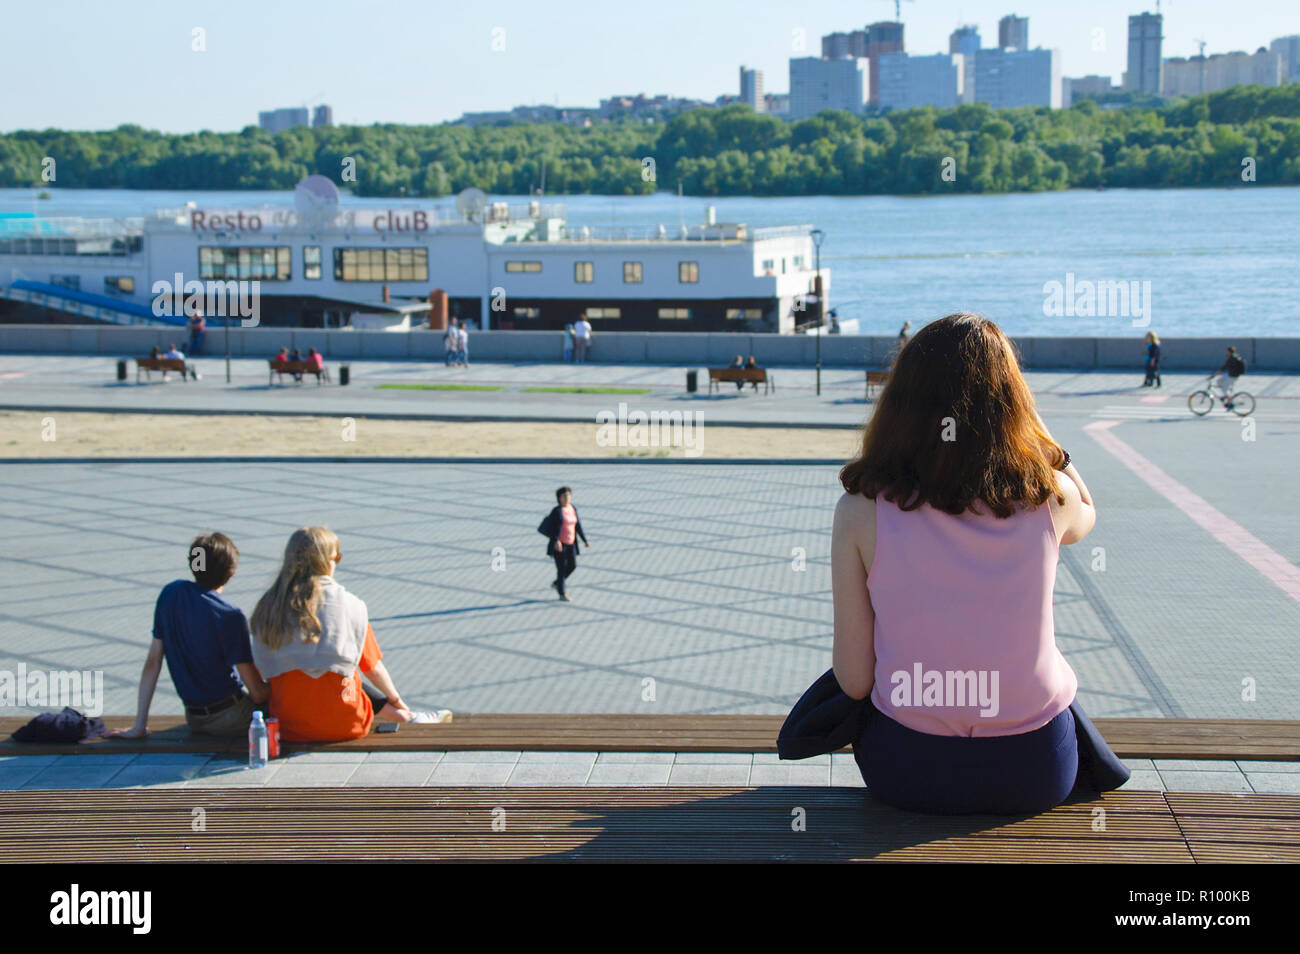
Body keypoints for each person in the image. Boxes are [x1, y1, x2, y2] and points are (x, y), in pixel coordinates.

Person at [828, 313, 1125, 815]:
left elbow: (854, 681)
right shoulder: (1050, 499)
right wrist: (1047, 445)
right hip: (1035, 769)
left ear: (902, 404)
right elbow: (1090, 513)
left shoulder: (861, 512)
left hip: (906, 770)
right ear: (1011, 406)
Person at [249, 527, 450, 743]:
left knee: (315, 674)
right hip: (348, 724)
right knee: (343, 672)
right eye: (338, 557)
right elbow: (372, 669)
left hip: (288, 727)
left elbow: (261, 671)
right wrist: (396, 699)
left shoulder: (267, 607)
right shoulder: (349, 605)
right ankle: (408, 715)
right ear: (328, 561)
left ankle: (406, 716)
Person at [108, 533, 269, 740]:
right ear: (232, 571)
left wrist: (139, 726)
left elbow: (152, 662)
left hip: (195, 717)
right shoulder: (230, 615)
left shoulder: (171, 594)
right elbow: (257, 692)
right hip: (231, 717)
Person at [541, 486, 590, 602]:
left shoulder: (572, 508)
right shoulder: (556, 511)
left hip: (571, 543)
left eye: (568, 495)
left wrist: (584, 540)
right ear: (559, 498)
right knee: (561, 569)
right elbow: (552, 529)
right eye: (564, 496)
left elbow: (578, 526)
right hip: (560, 545)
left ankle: (557, 583)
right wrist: (556, 541)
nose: (567, 498)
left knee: (572, 566)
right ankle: (562, 593)